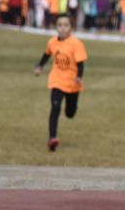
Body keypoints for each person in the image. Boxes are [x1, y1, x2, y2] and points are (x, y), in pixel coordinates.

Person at [33, 15, 87, 151]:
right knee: (55, 108)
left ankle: (72, 107)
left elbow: (80, 64)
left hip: (72, 83)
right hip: (57, 81)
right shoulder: (52, 42)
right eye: (60, 25)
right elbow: (46, 55)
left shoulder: (76, 44)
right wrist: (39, 66)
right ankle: (52, 138)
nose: (62, 28)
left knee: (70, 113)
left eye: (66, 25)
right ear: (56, 27)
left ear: (71, 27)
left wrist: (79, 77)